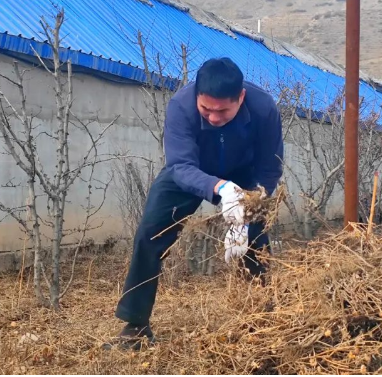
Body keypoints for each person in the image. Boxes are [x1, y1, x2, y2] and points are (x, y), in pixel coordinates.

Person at [112, 58, 284, 347]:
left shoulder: (264, 108)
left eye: (223, 111)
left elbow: (269, 168)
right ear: (196, 96)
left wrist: (246, 215)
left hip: (245, 174)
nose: (213, 118)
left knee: (255, 241)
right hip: (192, 171)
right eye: (206, 109)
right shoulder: (181, 106)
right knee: (150, 234)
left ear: (241, 97)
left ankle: (264, 319)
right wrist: (220, 188)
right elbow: (180, 165)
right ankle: (135, 326)